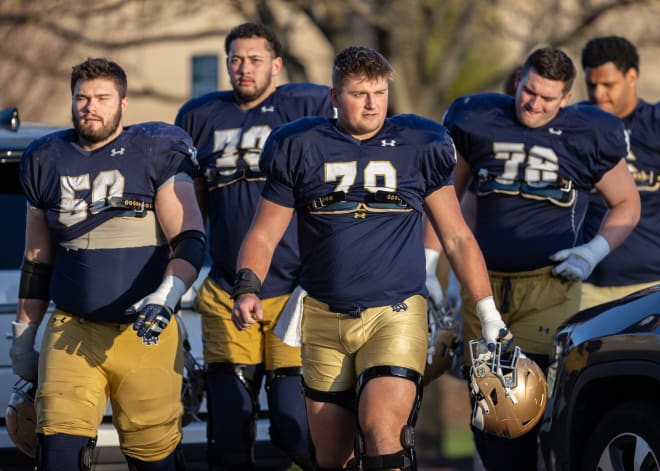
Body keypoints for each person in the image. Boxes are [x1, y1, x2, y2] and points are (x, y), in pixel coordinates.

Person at [231, 45, 511, 471]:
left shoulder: (419, 143)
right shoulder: (300, 144)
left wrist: (488, 313)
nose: (372, 104)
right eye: (360, 93)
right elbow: (265, 234)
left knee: (382, 432)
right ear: (334, 97)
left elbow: (456, 237)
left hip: (395, 311)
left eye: (380, 93)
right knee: (331, 457)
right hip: (324, 315)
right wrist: (248, 286)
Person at [441, 47, 640, 471]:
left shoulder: (588, 133)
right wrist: (434, 269)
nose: (534, 104)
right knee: (493, 422)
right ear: (518, 80)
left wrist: (593, 251)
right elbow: (446, 200)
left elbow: (627, 203)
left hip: (548, 288)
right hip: (485, 286)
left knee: (522, 409)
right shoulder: (478, 119)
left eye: (547, 98)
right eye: (528, 91)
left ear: (566, 98)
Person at [9, 57, 206, 470]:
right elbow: (37, 260)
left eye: (102, 97)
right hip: (73, 328)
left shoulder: (154, 151)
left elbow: (188, 240)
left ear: (123, 103)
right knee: (59, 452)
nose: (90, 107)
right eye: (82, 97)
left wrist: (166, 295)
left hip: (143, 332)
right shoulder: (47, 158)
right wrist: (25, 336)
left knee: (155, 458)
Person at [174, 22, 334, 470]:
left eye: (255, 59)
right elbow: (192, 205)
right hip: (227, 287)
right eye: (235, 59)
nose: (244, 69)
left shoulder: (306, 109)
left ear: (277, 65)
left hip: (294, 290)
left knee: (293, 426)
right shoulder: (200, 116)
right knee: (228, 428)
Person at [579, 36, 660, 310]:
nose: (599, 94)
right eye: (592, 85)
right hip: (581, 283)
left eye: (608, 84)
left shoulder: (654, 124)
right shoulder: (574, 125)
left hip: (649, 286)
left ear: (632, 76)